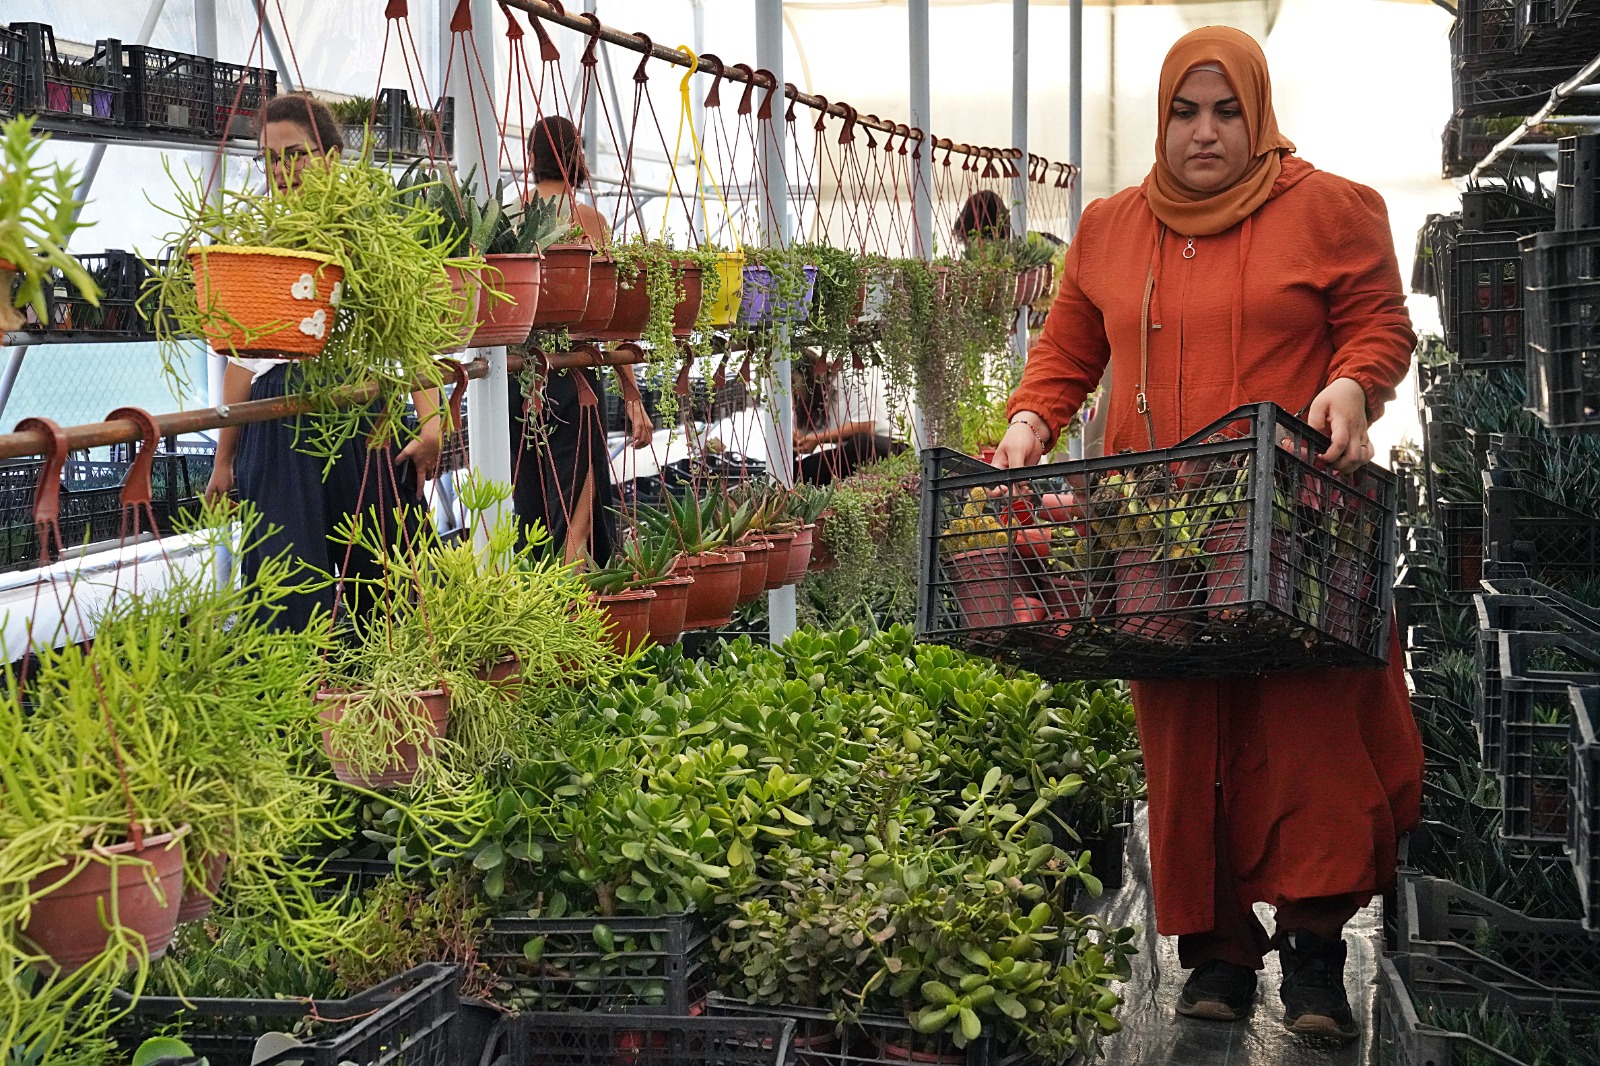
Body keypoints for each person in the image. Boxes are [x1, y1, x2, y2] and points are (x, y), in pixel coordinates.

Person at [994, 28, 1421, 1041]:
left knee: (1307, 729)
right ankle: (1216, 951)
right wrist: (1027, 419)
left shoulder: (1330, 209)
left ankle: (1317, 955)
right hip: (1157, 539)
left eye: (1226, 110)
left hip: (1296, 527)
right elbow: (1067, 350)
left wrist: (1353, 384)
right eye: (1185, 111)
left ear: (1259, 114)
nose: (1204, 132)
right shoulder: (1109, 227)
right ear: (1160, 119)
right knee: (1186, 744)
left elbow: (1379, 325)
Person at [205, 93, 441, 632]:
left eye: (296, 154)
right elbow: (244, 359)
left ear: (332, 158)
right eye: (270, 158)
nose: (282, 170)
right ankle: (297, 712)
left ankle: (399, 706)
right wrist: (224, 459)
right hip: (277, 418)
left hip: (361, 410)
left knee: (389, 583)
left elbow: (409, 336)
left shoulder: (372, 235)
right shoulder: (260, 245)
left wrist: (431, 423)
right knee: (286, 592)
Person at [511, 115, 653, 564]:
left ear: (531, 158)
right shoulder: (590, 220)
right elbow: (606, 319)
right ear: (577, 159)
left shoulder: (511, 214)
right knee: (579, 494)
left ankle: (537, 601)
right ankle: (579, 593)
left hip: (515, 375)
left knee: (528, 501)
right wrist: (632, 392)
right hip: (571, 373)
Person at [792, 354, 903, 484]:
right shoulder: (815, 400)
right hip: (848, 453)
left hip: (888, 447)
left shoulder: (849, 380)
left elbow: (865, 426)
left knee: (862, 443)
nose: (793, 390)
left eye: (794, 383)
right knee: (802, 471)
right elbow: (806, 434)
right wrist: (798, 441)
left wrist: (818, 438)